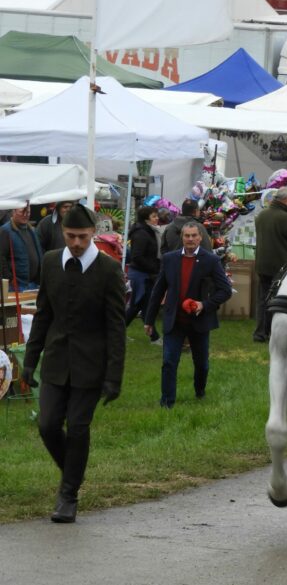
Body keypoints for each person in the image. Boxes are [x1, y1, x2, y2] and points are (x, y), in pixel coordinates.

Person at [20, 205, 126, 523]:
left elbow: (116, 327)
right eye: (70, 236)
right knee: (48, 425)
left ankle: (68, 496)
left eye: (82, 236)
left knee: (78, 429)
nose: (76, 242)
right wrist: (29, 362)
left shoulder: (108, 270)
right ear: (63, 233)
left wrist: (114, 376)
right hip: (55, 361)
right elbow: (43, 316)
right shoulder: (52, 262)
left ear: (93, 233)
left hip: (90, 365)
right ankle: (73, 473)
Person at [144, 223, 232, 409]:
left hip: (199, 321)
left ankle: (200, 391)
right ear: (182, 238)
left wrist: (204, 305)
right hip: (174, 319)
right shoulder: (169, 259)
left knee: (202, 365)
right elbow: (158, 290)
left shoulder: (210, 261)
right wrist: (149, 320)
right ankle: (167, 402)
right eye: (187, 236)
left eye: (194, 236)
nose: (190, 239)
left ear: (200, 238)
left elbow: (225, 290)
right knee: (169, 361)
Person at [253, 186, 287, 343]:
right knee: (278, 301)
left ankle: (260, 333)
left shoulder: (261, 215)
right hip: (280, 266)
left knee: (263, 300)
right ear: (285, 200)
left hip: (262, 264)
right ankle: (274, 333)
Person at [125, 205, 162, 340]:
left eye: (156, 216)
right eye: (154, 216)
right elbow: (137, 256)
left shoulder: (150, 231)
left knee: (144, 304)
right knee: (138, 304)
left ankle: (154, 336)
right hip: (141, 274)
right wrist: (153, 267)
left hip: (147, 273)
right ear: (146, 219)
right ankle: (154, 337)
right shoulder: (141, 233)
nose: (157, 218)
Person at [0, 203, 42, 291]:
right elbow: (1, 257)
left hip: (33, 284)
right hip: (16, 286)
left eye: (28, 212)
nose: (26, 215)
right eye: (22, 212)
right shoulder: (5, 231)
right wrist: (10, 279)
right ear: (13, 211)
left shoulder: (31, 229)